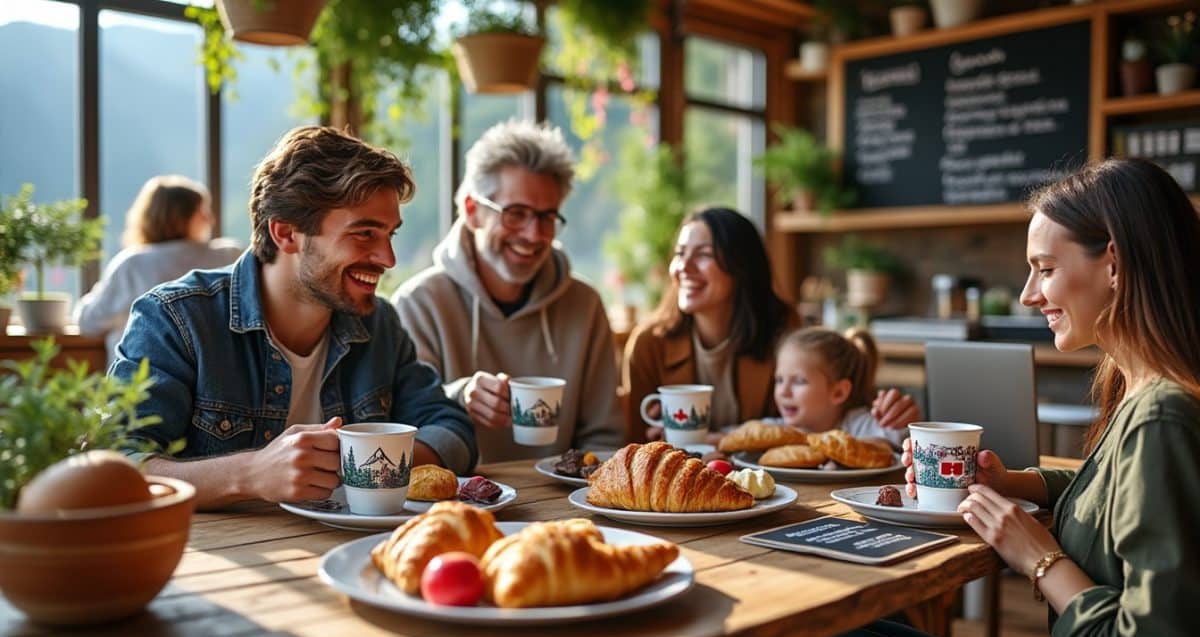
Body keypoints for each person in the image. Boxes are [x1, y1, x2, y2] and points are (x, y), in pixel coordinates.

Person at [791, 157, 1200, 637]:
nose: (1030, 294)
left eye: (1046, 269)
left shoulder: (1161, 417)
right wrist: (1006, 482)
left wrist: (1039, 558)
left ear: (1114, 264)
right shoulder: (1145, 396)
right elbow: (1117, 495)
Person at [111, 126, 476, 509]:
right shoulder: (175, 319)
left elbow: (452, 428)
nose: (388, 259)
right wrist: (251, 474)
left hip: (351, 551)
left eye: (390, 235)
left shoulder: (378, 323)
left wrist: (364, 464)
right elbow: (118, 469)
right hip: (221, 561)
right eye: (365, 234)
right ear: (286, 234)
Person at [392, 119, 622, 462]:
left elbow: (604, 438)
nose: (533, 234)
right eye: (516, 214)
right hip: (457, 502)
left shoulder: (585, 306)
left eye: (547, 217)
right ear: (473, 211)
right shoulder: (418, 305)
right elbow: (402, 430)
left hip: (564, 503)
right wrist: (459, 396)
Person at [623, 206, 917, 443]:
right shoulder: (650, 345)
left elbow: (836, 412)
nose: (683, 267)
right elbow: (632, 442)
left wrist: (892, 413)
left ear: (741, 267)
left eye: (703, 255)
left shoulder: (783, 336)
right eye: (679, 253)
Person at [74, 175, 242, 362]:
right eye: (202, 211)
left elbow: (89, 323)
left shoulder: (132, 264)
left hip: (141, 380)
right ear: (181, 216)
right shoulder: (230, 255)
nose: (210, 220)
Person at [771, 326, 907, 448]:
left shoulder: (860, 425)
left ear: (838, 392)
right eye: (779, 380)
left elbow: (896, 437)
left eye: (799, 381)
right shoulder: (775, 430)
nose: (783, 391)